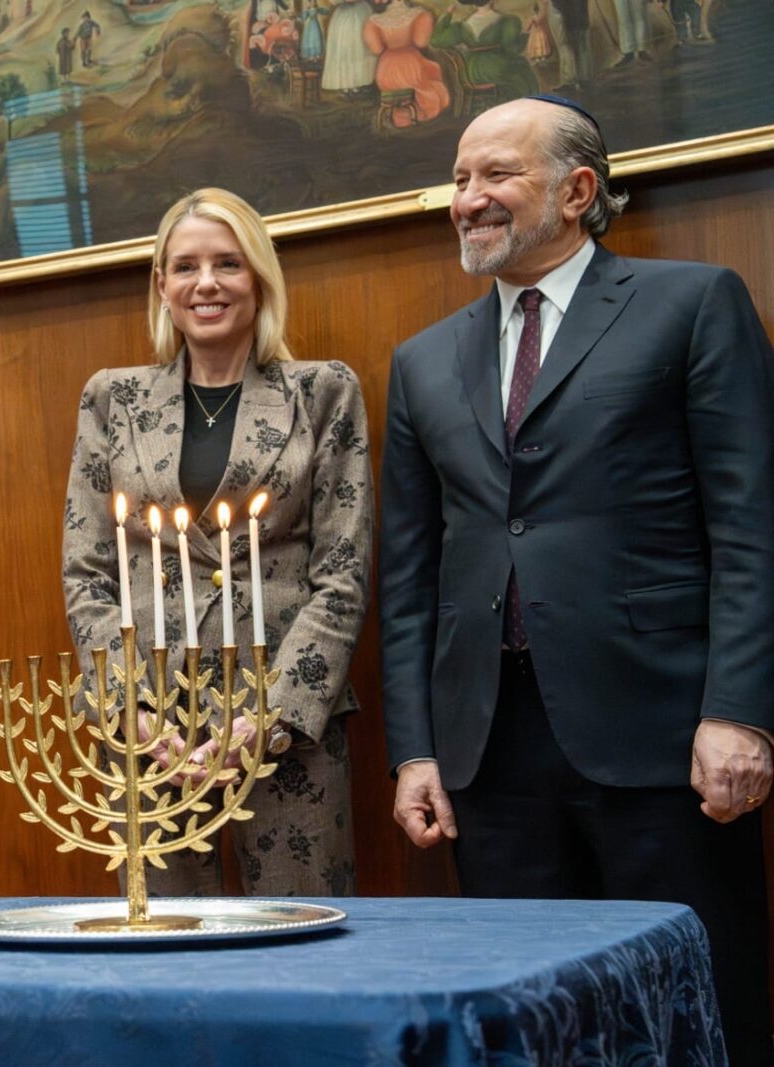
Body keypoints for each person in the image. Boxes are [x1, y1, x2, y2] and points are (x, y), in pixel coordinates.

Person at [380, 97, 774, 1065]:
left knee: (696, 1013)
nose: (467, 198)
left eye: (495, 175)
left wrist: (740, 711)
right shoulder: (421, 361)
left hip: (664, 742)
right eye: (459, 179)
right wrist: (414, 748)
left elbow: (751, 525)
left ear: (577, 190)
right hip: (488, 756)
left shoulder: (691, 304)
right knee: (530, 1030)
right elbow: (410, 573)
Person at [62, 188, 372, 898]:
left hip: (287, 727)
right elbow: (87, 570)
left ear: (259, 277)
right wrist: (129, 708)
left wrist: (271, 717)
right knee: (164, 939)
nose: (206, 283)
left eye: (227, 263)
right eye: (186, 266)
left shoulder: (322, 391)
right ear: (162, 286)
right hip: (149, 729)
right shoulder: (113, 399)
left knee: (299, 932)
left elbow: (343, 574)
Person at [362, 0, 450, 126]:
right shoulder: (420, 15)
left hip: (386, 71)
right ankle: (413, 113)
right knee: (431, 79)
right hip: (411, 66)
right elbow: (421, 42)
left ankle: (398, 115)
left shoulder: (373, 21)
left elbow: (377, 49)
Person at [431, 0, 539, 100]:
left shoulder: (461, 26)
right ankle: (529, 103)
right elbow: (513, 49)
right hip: (495, 68)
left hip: (470, 72)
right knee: (522, 67)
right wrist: (526, 33)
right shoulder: (507, 21)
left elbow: (436, 40)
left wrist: (448, 13)